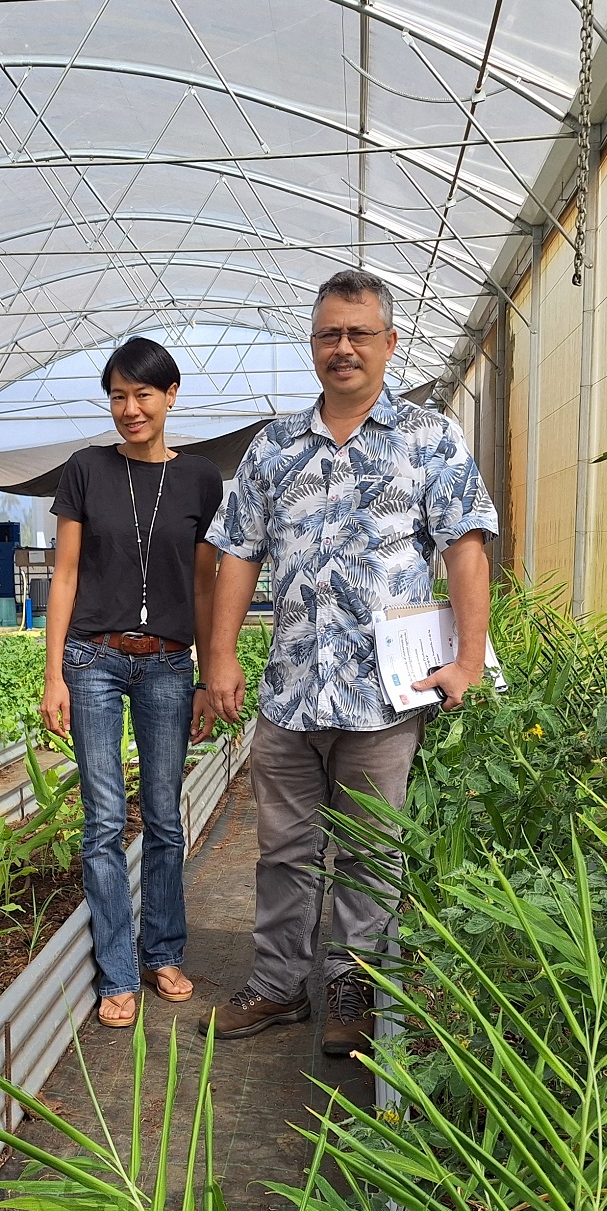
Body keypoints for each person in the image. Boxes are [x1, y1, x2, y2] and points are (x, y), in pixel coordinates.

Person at [201, 269, 497, 1055]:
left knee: (371, 851)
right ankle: (276, 984)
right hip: (290, 692)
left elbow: (466, 548)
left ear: (390, 343)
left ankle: (355, 989)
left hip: (384, 698)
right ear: (313, 345)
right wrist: (221, 658)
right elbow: (237, 553)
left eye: (360, 333)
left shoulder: (428, 439)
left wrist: (467, 662)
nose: (344, 348)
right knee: (285, 849)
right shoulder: (273, 446)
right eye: (330, 333)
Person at [42, 337, 223, 1029]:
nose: (130, 409)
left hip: (170, 664)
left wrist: (211, 676)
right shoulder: (86, 470)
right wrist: (53, 672)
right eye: (117, 396)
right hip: (93, 658)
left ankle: (164, 952)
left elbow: (205, 588)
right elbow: (63, 577)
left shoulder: (201, 479)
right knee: (103, 822)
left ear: (171, 395)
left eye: (143, 394)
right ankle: (117, 971)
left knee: (166, 816)